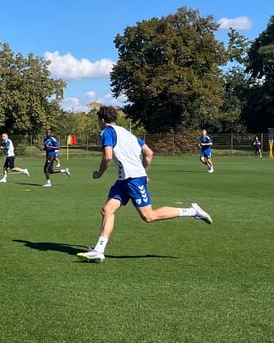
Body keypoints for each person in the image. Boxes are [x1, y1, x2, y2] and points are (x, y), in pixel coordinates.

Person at [78, 105, 212, 263]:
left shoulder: (107, 132)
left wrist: (99, 173)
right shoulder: (128, 134)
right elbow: (149, 153)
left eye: (98, 121)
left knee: (149, 216)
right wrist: (144, 171)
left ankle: (192, 211)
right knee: (107, 210)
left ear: (102, 120)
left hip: (133, 179)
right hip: (125, 180)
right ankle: (99, 251)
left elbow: (107, 157)